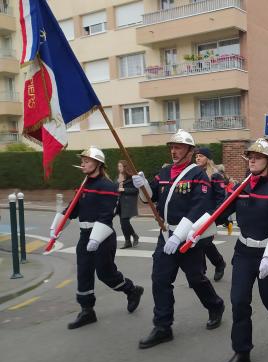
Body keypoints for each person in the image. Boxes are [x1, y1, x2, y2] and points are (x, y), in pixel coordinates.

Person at [202, 139, 268, 362]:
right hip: (244, 253)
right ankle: (242, 352)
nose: (252, 160)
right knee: (239, 301)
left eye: (258, 157)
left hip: (267, 254)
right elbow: (223, 212)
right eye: (250, 156)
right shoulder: (241, 188)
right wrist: (201, 227)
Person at [133, 129, 225, 349]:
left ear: (190, 151)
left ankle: (215, 305)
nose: (174, 151)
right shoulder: (164, 173)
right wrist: (142, 185)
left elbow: (200, 206)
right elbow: (151, 197)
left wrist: (180, 235)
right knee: (160, 279)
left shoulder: (197, 175)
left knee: (196, 279)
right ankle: (163, 326)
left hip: (187, 238)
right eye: (172, 147)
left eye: (179, 147)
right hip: (166, 234)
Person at [49, 147, 144, 329]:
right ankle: (87, 311)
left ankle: (131, 290)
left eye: (87, 161)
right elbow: (72, 209)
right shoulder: (84, 185)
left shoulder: (108, 186)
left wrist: (96, 239)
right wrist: (56, 227)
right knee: (84, 272)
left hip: (102, 237)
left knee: (105, 274)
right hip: (85, 235)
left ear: (98, 164)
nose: (83, 164)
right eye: (82, 160)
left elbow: (106, 214)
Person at [194, 147, 228, 281]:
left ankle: (218, 263)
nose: (197, 158)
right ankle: (200, 273)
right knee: (197, 242)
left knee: (205, 243)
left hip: (209, 215)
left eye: (201, 156)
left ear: (207, 159)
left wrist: (214, 216)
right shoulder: (194, 173)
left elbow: (221, 198)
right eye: (196, 156)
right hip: (195, 213)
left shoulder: (215, 175)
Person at [115, 160, 139, 249]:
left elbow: (136, 190)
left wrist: (124, 190)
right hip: (119, 203)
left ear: (125, 167)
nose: (119, 168)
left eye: (120, 166)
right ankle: (128, 241)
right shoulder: (118, 177)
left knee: (125, 221)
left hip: (128, 203)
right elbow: (114, 187)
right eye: (118, 166)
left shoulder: (132, 177)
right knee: (123, 223)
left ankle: (134, 236)